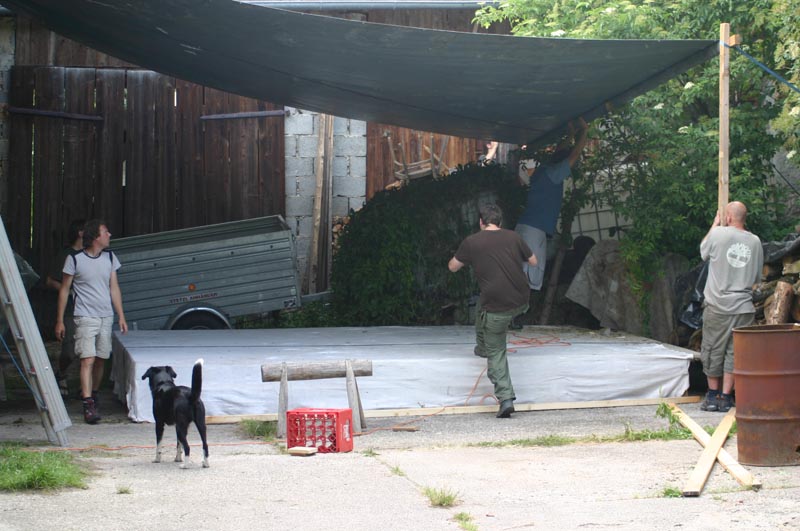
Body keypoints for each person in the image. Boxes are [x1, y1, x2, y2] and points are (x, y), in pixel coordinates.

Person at [448, 204, 538, 418]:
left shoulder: (472, 242)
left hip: (498, 306)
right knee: (483, 306)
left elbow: (452, 267)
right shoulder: (513, 237)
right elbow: (534, 262)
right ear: (500, 222)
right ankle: (482, 347)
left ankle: (505, 398)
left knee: (496, 351)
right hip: (521, 300)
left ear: (481, 222)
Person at [55, 219, 128, 424]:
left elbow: (114, 288)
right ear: (96, 237)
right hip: (84, 316)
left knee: (101, 358)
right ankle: (87, 404)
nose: (109, 235)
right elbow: (64, 290)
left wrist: (121, 315)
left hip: (106, 316)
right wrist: (59, 320)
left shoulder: (110, 257)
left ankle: (93, 395)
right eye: (105, 232)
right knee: (87, 359)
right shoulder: (74, 259)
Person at [699, 201, 762, 413]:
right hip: (744, 308)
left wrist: (714, 225)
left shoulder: (718, 234)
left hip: (718, 305)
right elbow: (756, 277)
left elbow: (703, 251)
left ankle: (712, 396)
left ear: (727, 217)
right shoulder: (755, 241)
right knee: (735, 353)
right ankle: (726, 397)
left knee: (712, 349)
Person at [515, 118, 589, 291]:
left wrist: (571, 134)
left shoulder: (543, 170)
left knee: (521, 273)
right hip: (534, 231)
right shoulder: (554, 174)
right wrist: (584, 131)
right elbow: (574, 155)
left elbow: (559, 151)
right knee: (530, 277)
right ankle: (519, 304)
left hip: (525, 227)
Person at [46, 218, 85, 397]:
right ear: (80, 233)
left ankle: (86, 389)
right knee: (69, 351)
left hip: (89, 309)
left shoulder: (92, 254)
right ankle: (61, 374)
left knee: (88, 351)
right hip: (70, 309)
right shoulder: (66, 255)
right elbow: (50, 281)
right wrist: (68, 290)